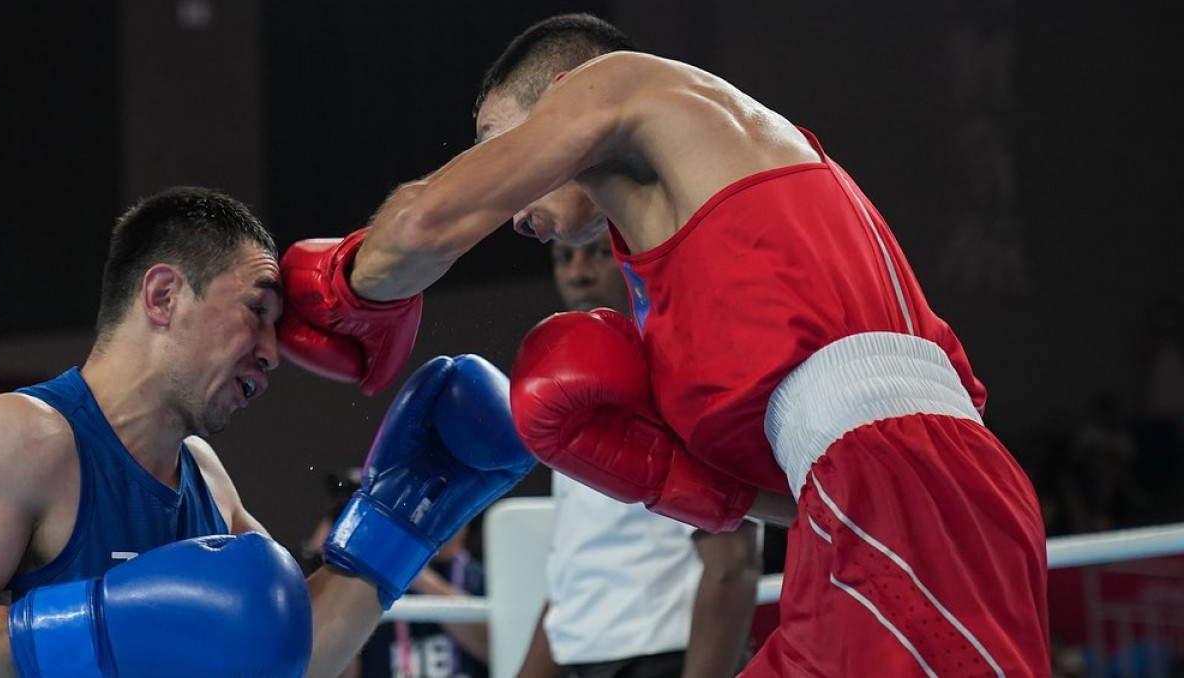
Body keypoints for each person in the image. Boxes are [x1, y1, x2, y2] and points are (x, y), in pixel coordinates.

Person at [320, 12, 1049, 677]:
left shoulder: (623, 84)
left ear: (557, 95)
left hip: (902, 491)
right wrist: (670, 478)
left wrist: (340, 292)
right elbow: (793, 495)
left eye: (491, 146)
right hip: (862, 504)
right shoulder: (679, 280)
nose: (507, 203)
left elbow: (422, 228)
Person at [0, 186, 534, 678]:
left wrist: (397, 523)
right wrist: (99, 630)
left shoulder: (206, 476)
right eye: (256, 309)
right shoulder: (26, 438)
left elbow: (293, 651)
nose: (272, 353)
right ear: (163, 296)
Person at [511, 233, 761, 678]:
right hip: (585, 662)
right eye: (563, 256)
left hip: (664, 656)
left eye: (598, 253)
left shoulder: (680, 376)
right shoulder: (570, 388)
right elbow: (576, 569)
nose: (578, 272)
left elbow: (731, 564)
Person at [304, 470, 490, 678]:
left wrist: (409, 564)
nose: (428, 518)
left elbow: (498, 648)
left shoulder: (484, 578)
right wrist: (337, 550)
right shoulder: (368, 581)